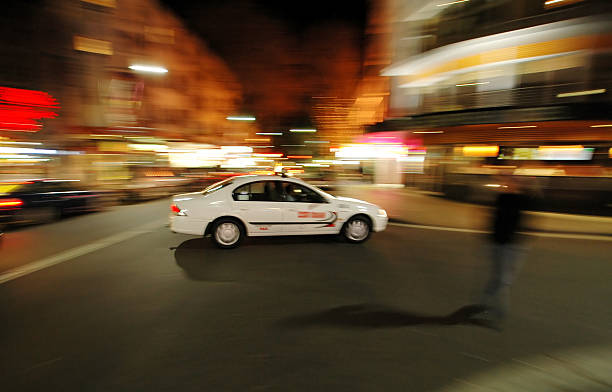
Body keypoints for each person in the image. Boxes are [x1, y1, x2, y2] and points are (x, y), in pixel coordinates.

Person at [473, 174, 530, 328]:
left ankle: (483, 302)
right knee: (503, 280)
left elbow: (522, 222)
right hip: (498, 243)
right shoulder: (501, 198)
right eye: (507, 182)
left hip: (512, 245)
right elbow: (493, 218)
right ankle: (499, 312)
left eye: (512, 182)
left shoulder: (522, 200)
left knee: (501, 278)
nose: (508, 185)